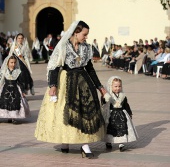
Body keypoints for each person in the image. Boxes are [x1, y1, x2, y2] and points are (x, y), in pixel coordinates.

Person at [35, 20, 107, 158]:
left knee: (85, 112)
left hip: (83, 82)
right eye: (84, 34)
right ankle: (65, 141)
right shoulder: (62, 46)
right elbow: (54, 67)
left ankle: (84, 145)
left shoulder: (86, 48)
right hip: (66, 81)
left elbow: (90, 69)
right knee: (64, 111)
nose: (86, 37)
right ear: (76, 32)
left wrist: (100, 87)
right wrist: (53, 86)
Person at [101, 76, 138, 151]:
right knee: (111, 128)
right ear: (110, 86)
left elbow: (126, 105)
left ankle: (121, 143)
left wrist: (129, 113)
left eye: (119, 86)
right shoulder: (108, 95)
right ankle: (109, 141)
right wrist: (104, 99)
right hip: (111, 115)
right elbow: (104, 104)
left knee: (122, 128)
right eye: (115, 86)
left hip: (121, 114)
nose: (117, 88)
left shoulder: (123, 96)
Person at [0, 54, 31, 124]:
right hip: (6, 88)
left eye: (14, 62)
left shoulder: (18, 72)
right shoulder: (4, 71)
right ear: (7, 62)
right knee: (5, 102)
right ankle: (7, 116)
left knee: (15, 102)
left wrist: (23, 91)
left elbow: (21, 82)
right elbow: (1, 80)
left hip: (15, 88)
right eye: (11, 62)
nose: (13, 64)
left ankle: (14, 117)